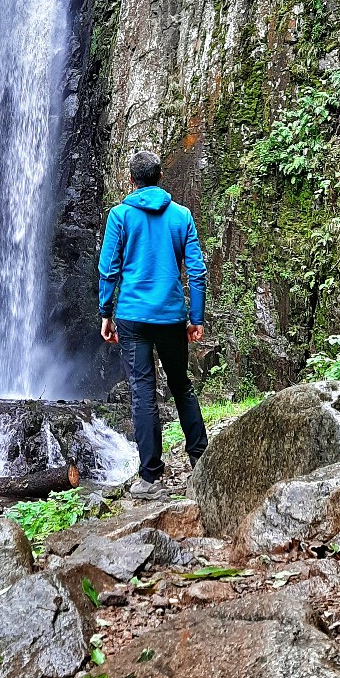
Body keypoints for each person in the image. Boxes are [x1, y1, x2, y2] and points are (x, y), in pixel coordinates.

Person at [98, 150, 208, 499]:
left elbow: (108, 269)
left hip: (131, 317)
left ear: (131, 180)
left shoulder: (120, 215)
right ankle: (202, 463)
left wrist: (105, 312)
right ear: (161, 176)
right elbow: (197, 271)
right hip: (172, 315)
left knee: (142, 392)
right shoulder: (181, 216)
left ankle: (150, 479)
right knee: (181, 386)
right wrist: (196, 318)